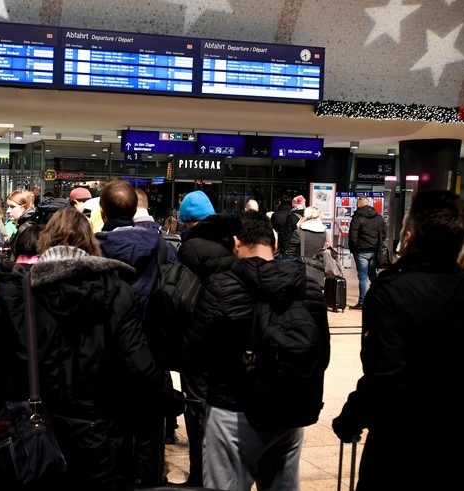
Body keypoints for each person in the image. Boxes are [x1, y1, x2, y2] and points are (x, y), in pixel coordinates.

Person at [0, 207, 183, 491]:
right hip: (100, 434)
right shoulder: (117, 291)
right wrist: (169, 399)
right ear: (90, 243)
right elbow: (138, 365)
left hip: (33, 432)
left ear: (46, 242)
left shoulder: (17, 290)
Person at [332, 190, 464, 490]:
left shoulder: (391, 291)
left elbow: (384, 377)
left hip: (402, 447)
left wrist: (351, 419)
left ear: (409, 237)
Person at [184, 212, 329, 490]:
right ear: (275, 245)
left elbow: (194, 355)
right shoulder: (308, 286)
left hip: (232, 412)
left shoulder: (220, 286)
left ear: (236, 243)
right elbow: (321, 355)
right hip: (289, 410)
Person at [94, 179, 175, 487]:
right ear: (136, 211)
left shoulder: (93, 248)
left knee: (111, 429)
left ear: (102, 213)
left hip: (107, 357)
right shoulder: (160, 246)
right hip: (151, 352)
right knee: (148, 430)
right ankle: (148, 481)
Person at [174, 190, 240, 486]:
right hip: (232, 333)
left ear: (187, 220)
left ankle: (201, 473)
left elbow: (183, 295)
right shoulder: (234, 240)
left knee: (197, 403)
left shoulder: (191, 247)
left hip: (200, 335)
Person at [348, 195, 385, 309]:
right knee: (372, 275)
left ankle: (362, 302)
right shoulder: (378, 217)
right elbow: (383, 234)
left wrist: (356, 248)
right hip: (374, 250)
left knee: (363, 277)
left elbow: (352, 236)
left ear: (359, 204)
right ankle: (378, 298)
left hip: (361, 251)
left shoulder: (357, 217)